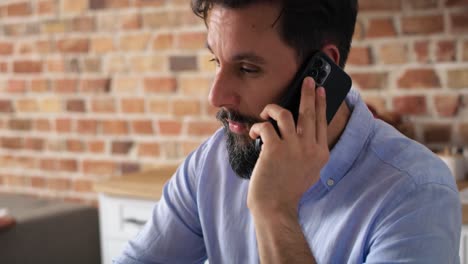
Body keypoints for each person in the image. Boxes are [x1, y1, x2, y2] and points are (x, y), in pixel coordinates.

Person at [115, 0, 461, 263]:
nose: (216, 96)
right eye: (216, 62)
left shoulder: (415, 193)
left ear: (319, 70)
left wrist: (275, 211)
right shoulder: (211, 164)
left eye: (247, 68)